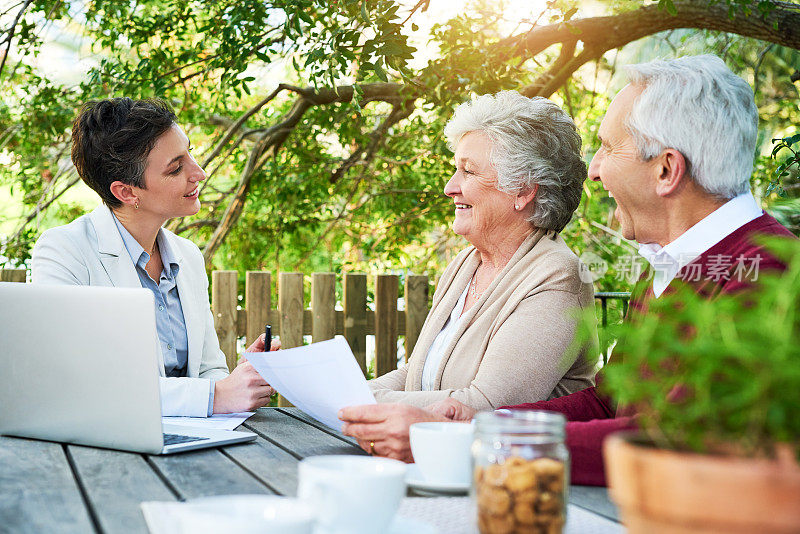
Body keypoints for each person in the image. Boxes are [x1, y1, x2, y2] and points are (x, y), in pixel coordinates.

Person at [340, 55, 796, 481]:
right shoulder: (667, 267)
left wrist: (470, 439)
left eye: (607, 148)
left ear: (666, 170)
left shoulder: (771, 272)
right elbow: (607, 403)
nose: (593, 171)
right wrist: (465, 420)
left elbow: (677, 440)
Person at [32, 98, 278, 417]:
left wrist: (239, 380)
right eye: (176, 167)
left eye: (190, 153)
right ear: (127, 193)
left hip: (195, 447)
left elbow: (208, 372)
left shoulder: (187, 257)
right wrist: (216, 395)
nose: (199, 173)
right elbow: (82, 385)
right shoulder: (64, 253)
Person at [367, 91, 598, 418]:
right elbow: (419, 375)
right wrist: (359, 391)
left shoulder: (557, 277)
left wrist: (364, 401)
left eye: (469, 171)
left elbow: (485, 405)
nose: (449, 187)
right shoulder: (466, 264)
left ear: (522, 190)